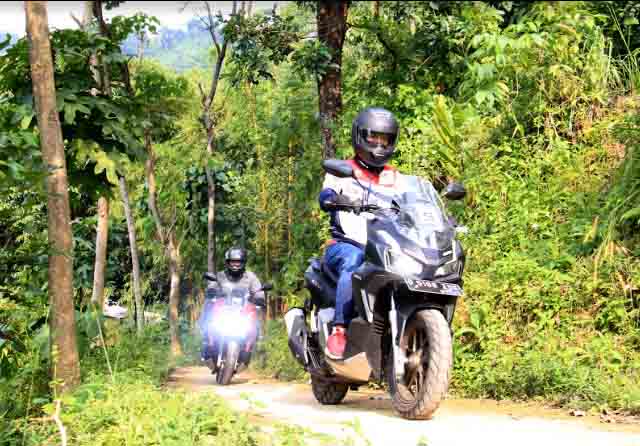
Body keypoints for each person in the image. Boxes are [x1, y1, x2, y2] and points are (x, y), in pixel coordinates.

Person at [318, 106, 405, 360]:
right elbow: (326, 195)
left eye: (384, 139)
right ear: (359, 136)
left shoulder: (395, 177)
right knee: (354, 261)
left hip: (384, 247)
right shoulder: (341, 170)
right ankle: (340, 329)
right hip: (345, 244)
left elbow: (412, 202)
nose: (379, 144)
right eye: (373, 137)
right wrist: (333, 199)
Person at [199, 247, 265, 361]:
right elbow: (213, 285)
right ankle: (207, 339)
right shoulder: (220, 275)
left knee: (255, 315)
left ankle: (250, 346)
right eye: (233, 262)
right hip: (223, 309)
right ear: (227, 262)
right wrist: (211, 290)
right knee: (209, 304)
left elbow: (258, 289)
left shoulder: (251, 277)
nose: (235, 265)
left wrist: (259, 297)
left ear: (243, 262)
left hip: (242, 311)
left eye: (238, 262)